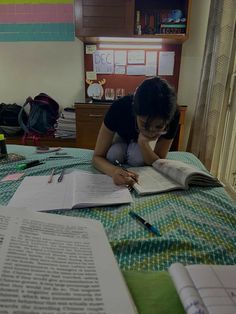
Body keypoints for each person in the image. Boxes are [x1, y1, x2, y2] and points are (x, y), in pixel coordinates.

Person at [92, 76, 179, 187]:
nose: (150, 132)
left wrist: (143, 143)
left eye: (158, 127)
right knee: (114, 154)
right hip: (120, 137)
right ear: (134, 111)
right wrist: (114, 171)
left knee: (137, 157)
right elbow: (97, 157)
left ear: (167, 122)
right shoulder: (119, 107)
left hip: (145, 143)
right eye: (144, 124)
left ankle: (139, 144)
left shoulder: (173, 114)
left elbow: (159, 161)